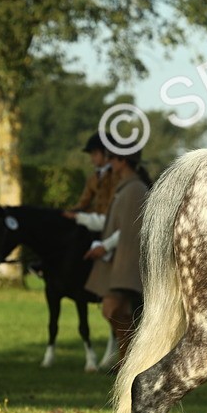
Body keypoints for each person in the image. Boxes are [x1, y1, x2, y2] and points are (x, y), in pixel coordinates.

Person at [83, 149, 149, 370]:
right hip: (120, 260)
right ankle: (127, 360)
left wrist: (104, 247)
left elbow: (129, 229)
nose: (109, 163)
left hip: (126, 262)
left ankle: (128, 359)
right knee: (117, 312)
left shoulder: (135, 188)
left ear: (123, 161)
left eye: (112, 159)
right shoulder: (126, 187)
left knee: (112, 310)